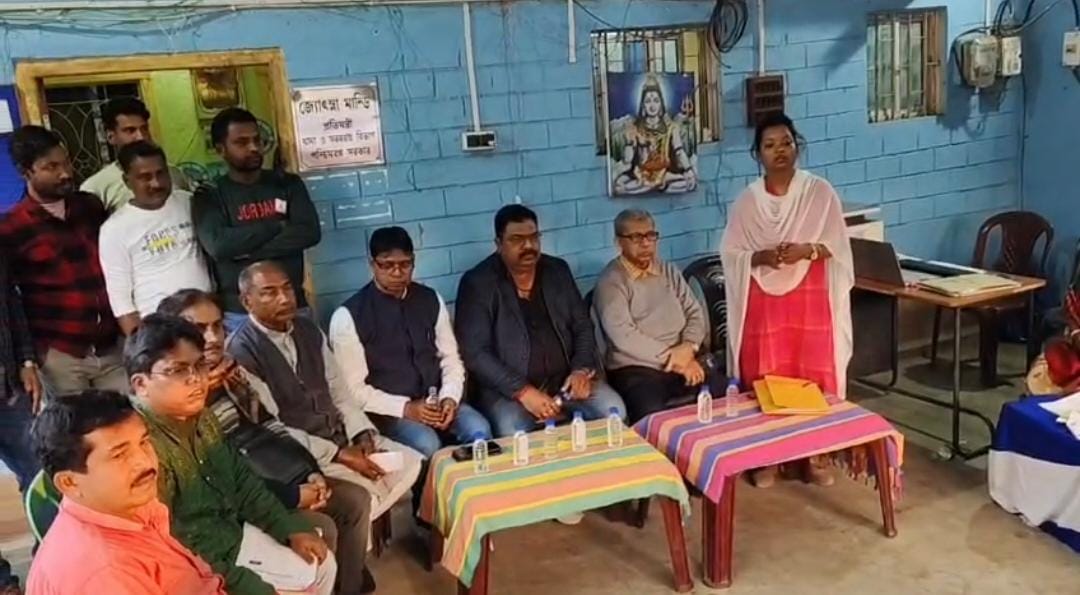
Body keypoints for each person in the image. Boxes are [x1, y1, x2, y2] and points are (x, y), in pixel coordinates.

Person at [159, 288, 377, 594]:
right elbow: (226, 478)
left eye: (217, 326)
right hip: (245, 500)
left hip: (274, 474)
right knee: (323, 529)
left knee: (355, 500)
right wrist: (292, 495)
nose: (212, 337)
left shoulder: (233, 374)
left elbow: (271, 426)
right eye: (198, 328)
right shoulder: (184, 402)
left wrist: (309, 471)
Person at [127, 314, 336, 595]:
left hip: (229, 536)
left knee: (321, 562)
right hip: (196, 569)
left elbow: (242, 482)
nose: (195, 379)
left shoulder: (201, 416)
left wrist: (288, 527)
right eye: (177, 370)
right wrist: (248, 585)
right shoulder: (138, 447)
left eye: (199, 365)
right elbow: (175, 548)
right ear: (141, 384)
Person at [227, 261, 422, 523]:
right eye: (269, 292)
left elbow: (340, 393)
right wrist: (339, 455)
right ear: (247, 301)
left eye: (287, 288)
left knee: (411, 463)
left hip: (344, 437)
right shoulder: (241, 351)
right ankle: (361, 533)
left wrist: (361, 434)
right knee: (366, 496)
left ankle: (367, 522)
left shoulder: (309, 330)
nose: (284, 298)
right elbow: (275, 428)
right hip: (307, 454)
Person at [720, 113, 854, 488]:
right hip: (763, 300)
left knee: (811, 372)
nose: (779, 150)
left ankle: (814, 455)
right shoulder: (747, 201)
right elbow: (730, 254)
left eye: (786, 142)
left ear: (798, 146)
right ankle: (766, 457)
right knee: (766, 372)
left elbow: (839, 246)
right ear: (757, 153)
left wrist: (806, 250)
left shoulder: (819, 193)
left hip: (810, 296)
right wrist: (762, 257)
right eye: (769, 145)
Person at [26, 390, 227, 594]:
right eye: (119, 455)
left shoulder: (124, 503)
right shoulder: (105, 574)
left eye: (144, 442)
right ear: (69, 483)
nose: (144, 461)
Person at [455, 204, 628, 441]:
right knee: (513, 432)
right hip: (508, 392)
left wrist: (580, 370)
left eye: (533, 237)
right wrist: (522, 391)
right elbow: (475, 353)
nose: (528, 246)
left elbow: (582, 326)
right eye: (517, 239)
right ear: (499, 243)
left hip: (565, 384)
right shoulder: (478, 283)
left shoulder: (557, 271)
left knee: (614, 412)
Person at [329, 226, 492, 459]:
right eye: (387, 265)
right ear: (372, 264)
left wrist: (450, 397)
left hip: (437, 403)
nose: (397, 273)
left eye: (405, 264)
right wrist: (405, 408)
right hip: (388, 413)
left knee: (479, 431)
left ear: (413, 262)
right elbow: (353, 391)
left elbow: (450, 358)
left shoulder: (430, 299)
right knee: (427, 443)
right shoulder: (348, 317)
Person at [0, 125, 128, 397]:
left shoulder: (90, 207)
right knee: (74, 423)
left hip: (111, 348)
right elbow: (9, 299)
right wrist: (29, 359)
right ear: (26, 172)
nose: (65, 173)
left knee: (131, 415)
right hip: (60, 356)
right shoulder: (11, 228)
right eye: (51, 167)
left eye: (66, 162)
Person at [193, 107, 321, 331]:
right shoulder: (210, 194)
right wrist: (278, 226)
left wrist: (244, 252)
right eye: (241, 142)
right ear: (221, 149)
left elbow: (309, 232)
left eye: (257, 140)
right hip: (240, 315)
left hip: (292, 306)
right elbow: (219, 245)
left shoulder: (287, 184)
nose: (253, 148)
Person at [594, 209, 710, 423]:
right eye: (636, 237)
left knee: (723, 391)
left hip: (685, 356)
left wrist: (689, 346)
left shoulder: (668, 270)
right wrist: (675, 359)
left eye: (650, 236)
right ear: (618, 242)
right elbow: (623, 336)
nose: (646, 244)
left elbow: (694, 313)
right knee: (651, 412)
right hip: (638, 368)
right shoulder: (611, 281)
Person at [98, 141, 212, 336]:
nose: (156, 183)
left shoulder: (188, 202)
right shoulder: (114, 229)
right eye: (145, 177)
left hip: (206, 319)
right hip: (160, 330)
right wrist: (139, 343)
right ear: (127, 181)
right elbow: (120, 298)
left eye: (161, 173)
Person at [0, 255, 42, 594]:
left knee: (40, 473)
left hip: (10, 387)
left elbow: (12, 303)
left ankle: (50, 559)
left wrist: (27, 360)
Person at [80, 97, 192, 214]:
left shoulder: (175, 174)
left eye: (144, 129)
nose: (141, 137)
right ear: (111, 136)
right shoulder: (96, 187)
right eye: (130, 130)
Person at [613, 74, 697, 195]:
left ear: (661, 104)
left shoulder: (671, 127)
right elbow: (628, 160)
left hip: (664, 173)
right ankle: (655, 186)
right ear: (643, 105)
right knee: (619, 187)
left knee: (687, 183)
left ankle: (655, 186)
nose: (652, 105)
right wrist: (630, 142)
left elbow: (679, 152)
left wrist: (688, 170)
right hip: (641, 174)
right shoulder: (635, 128)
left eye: (656, 101)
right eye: (648, 101)